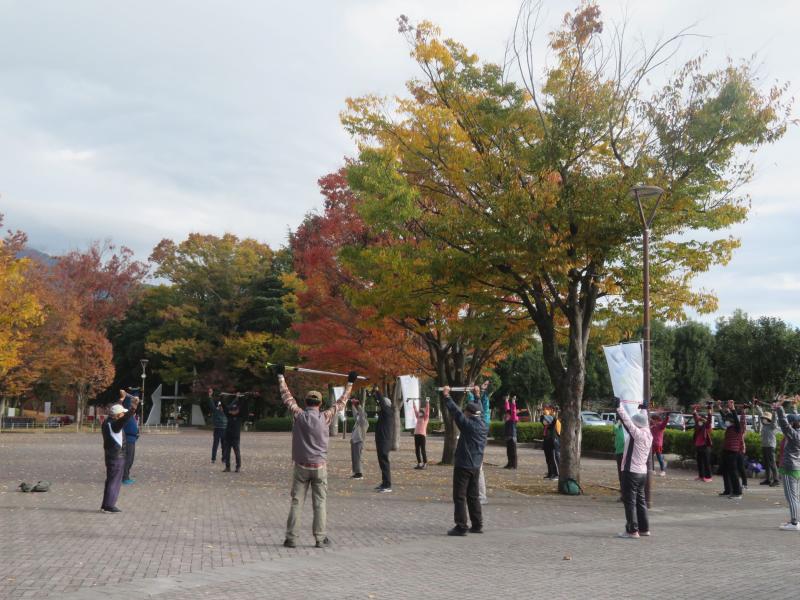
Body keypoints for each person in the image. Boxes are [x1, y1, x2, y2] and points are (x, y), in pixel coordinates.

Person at [277, 365, 355, 548]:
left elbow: (287, 397)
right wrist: (350, 382)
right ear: (320, 403)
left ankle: (291, 538)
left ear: (306, 403)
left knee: (297, 502)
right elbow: (342, 403)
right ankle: (320, 539)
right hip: (319, 466)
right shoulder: (325, 417)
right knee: (320, 504)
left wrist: (280, 376)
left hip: (301, 466)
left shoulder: (299, 416)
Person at [441, 386, 488, 536]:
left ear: (469, 413)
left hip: (463, 465)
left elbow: (456, 412)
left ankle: (461, 526)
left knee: (459, 496)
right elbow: (478, 408)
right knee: (473, 496)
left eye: (466, 412)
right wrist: (477, 395)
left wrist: (447, 396)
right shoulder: (483, 425)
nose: (465, 413)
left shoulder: (468, 425)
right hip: (475, 466)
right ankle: (477, 524)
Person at [616, 403, 653, 539]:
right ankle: (644, 529)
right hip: (642, 473)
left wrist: (619, 407)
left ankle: (632, 530)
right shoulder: (648, 433)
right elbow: (644, 419)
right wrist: (644, 409)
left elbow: (627, 421)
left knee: (630, 501)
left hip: (631, 472)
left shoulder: (636, 433)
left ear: (636, 424)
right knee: (641, 501)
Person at [101, 395, 139, 513]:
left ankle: (106, 505)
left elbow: (116, 410)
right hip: (117, 457)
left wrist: (121, 400)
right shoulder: (115, 425)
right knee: (114, 482)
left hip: (111, 455)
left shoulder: (107, 422)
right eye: (121, 413)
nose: (123, 414)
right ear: (118, 416)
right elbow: (124, 419)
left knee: (111, 480)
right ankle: (109, 506)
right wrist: (133, 407)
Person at [773, 401, 800, 531]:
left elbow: (784, 424)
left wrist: (779, 409)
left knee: (792, 498)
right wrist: (794, 408)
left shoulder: (794, 435)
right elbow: (790, 422)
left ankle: (794, 523)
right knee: (794, 497)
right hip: (795, 469)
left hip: (790, 469)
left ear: (792, 424)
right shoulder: (797, 432)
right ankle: (795, 521)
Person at [467, 381, 491, 503]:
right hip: (474, 444)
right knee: (474, 468)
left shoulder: (483, 418)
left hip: (478, 445)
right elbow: (475, 405)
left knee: (478, 469)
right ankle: (475, 494)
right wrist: (474, 392)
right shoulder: (480, 415)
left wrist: (478, 392)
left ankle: (481, 496)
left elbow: (480, 406)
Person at [717, 399, 746, 499]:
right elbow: (724, 416)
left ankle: (738, 493)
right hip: (726, 451)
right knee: (725, 471)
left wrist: (733, 408)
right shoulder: (729, 428)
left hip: (733, 452)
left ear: (732, 421)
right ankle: (728, 490)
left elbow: (737, 420)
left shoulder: (738, 428)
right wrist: (719, 407)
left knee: (733, 472)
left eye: (728, 420)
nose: (726, 422)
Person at [373, 386, 394, 493]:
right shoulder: (384, 413)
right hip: (381, 441)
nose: (380, 406)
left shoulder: (388, 412)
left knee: (385, 463)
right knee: (382, 463)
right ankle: (384, 482)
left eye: (382, 405)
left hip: (385, 441)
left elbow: (381, 402)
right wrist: (374, 393)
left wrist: (378, 391)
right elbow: (379, 402)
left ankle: (388, 485)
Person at [754, 401, 779, 486]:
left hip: (771, 446)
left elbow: (775, 419)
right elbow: (761, 413)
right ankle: (768, 479)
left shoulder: (772, 426)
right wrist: (757, 406)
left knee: (772, 463)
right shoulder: (764, 425)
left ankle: (776, 480)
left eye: (765, 418)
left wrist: (774, 411)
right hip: (764, 446)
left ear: (768, 419)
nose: (763, 419)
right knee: (767, 463)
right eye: (763, 418)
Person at [222, 394, 248, 473]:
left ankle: (238, 466)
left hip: (235, 437)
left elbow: (243, 407)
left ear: (237, 410)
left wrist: (241, 398)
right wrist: (222, 398)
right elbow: (225, 408)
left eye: (235, 410)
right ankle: (227, 467)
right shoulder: (228, 415)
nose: (233, 411)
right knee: (227, 453)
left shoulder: (239, 416)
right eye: (232, 410)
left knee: (237, 452)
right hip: (228, 436)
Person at [120, 390, 140, 485]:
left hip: (131, 439)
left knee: (130, 458)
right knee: (128, 458)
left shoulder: (130, 413)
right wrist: (128, 396)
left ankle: (125, 476)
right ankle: (124, 477)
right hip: (127, 439)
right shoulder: (126, 412)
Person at [692, 403, 714, 482]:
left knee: (706, 462)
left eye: (702, 419)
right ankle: (701, 476)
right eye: (700, 419)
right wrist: (695, 409)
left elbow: (709, 419)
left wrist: (709, 410)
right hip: (698, 446)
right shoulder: (698, 425)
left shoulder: (707, 425)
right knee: (699, 462)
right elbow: (695, 416)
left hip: (705, 446)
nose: (700, 420)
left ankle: (708, 477)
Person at [350, 396, 368, 479]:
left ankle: (359, 473)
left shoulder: (363, 422)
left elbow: (360, 414)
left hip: (359, 441)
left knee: (358, 457)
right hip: (355, 441)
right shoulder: (358, 422)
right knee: (354, 458)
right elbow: (355, 414)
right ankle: (356, 472)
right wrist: (353, 405)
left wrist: (358, 405)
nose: (357, 416)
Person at [541, 406, 561, 480]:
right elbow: (541, 418)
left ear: (549, 421)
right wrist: (544, 412)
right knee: (548, 459)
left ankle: (557, 474)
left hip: (553, 444)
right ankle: (550, 473)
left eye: (545, 420)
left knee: (554, 459)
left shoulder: (552, 427)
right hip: (547, 444)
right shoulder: (546, 427)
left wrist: (554, 413)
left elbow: (554, 420)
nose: (544, 421)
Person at [208, 388, 227, 464]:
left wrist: (236, 398)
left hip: (223, 429)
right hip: (219, 429)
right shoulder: (217, 411)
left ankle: (223, 458)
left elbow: (212, 404)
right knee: (216, 445)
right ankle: (214, 458)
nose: (220, 407)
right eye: (220, 406)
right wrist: (210, 396)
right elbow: (211, 404)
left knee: (223, 445)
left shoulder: (225, 411)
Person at [649, 411, 669, 477]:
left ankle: (663, 471)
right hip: (651, 444)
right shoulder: (652, 426)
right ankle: (652, 470)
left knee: (659, 458)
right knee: (650, 458)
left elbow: (665, 423)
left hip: (658, 444)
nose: (652, 420)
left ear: (657, 420)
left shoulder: (660, 425)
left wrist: (667, 417)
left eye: (653, 419)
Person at [414, 398, 430, 469]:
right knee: (417, 449)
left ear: (423, 413)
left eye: (421, 411)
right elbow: (415, 411)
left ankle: (425, 463)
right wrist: (414, 403)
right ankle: (419, 463)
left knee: (423, 449)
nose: (420, 412)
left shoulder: (425, 418)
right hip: (416, 434)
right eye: (420, 411)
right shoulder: (418, 417)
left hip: (422, 435)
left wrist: (427, 403)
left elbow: (427, 411)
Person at [503, 395, 518, 470]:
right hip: (508, 437)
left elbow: (513, 411)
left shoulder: (513, 419)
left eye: (507, 414)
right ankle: (509, 464)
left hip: (512, 437)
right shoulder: (508, 419)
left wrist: (513, 402)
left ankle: (514, 465)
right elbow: (507, 409)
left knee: (513, 453)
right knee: (508, 452)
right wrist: (506, 401)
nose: (505, 415)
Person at [613, 413, 625, 499]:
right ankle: (623, 494)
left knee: (625, 474)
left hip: (625, 453)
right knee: (621, 475)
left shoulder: (627, 429)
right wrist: (619, 422)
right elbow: (614, 428)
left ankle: (625, 494)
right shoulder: (618, 428)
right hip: (619, 453)